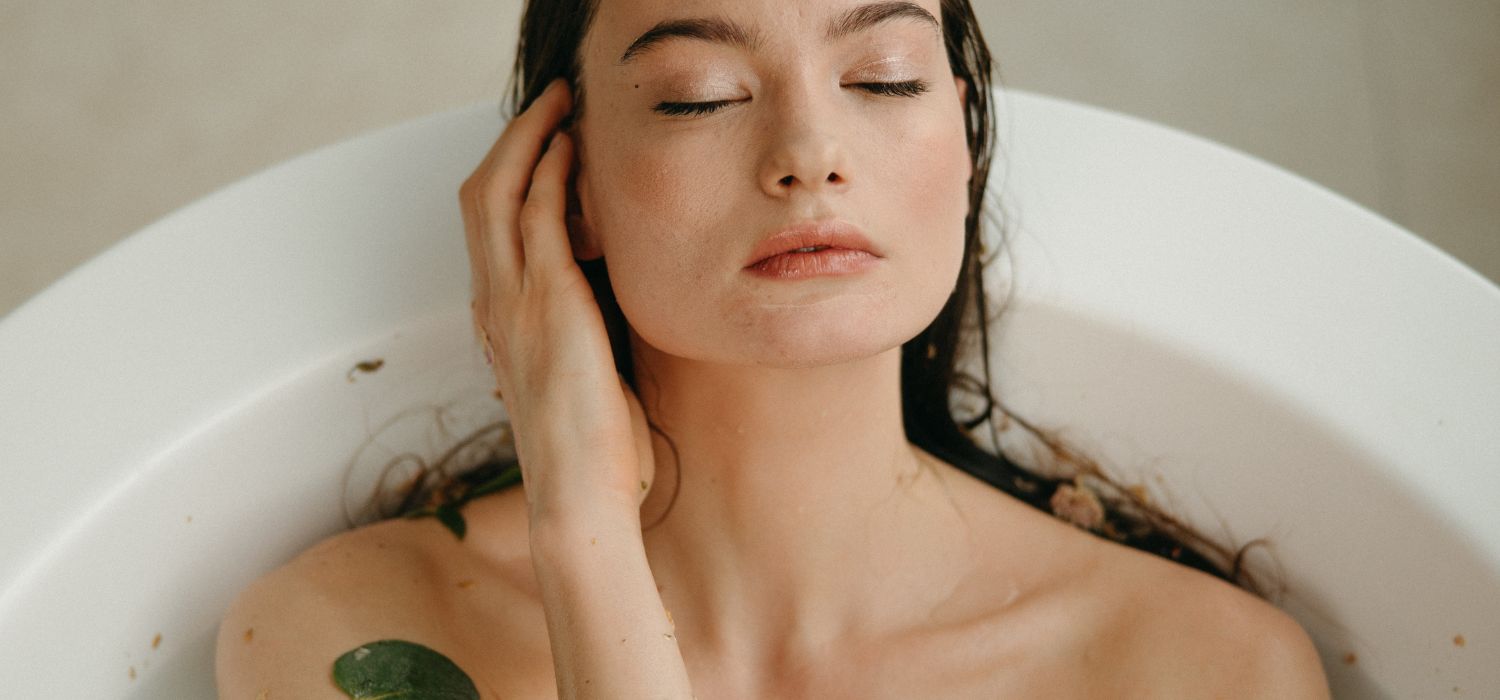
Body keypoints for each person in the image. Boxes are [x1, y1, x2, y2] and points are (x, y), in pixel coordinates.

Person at [216, 0, 1331, 697]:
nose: (810, 151)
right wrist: (581, 527)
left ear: (968, 143)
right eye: (700, 97)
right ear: (568, 185)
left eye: (884, 76)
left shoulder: (1198, 669)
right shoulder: (350, 635)